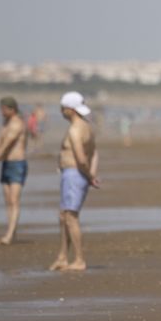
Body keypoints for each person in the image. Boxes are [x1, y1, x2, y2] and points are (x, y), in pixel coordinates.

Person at [53, 91, 100, 271]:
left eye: (63, 108)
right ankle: (63, 256)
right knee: (63, 216)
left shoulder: (75, 130)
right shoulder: (87, 126)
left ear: (70, 110)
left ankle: (79, 260)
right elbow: (94, 153)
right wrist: (92, 174)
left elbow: (81, 158)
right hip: (76, 175)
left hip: (74, 174)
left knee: (71, 217)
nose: (61, 111)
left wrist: (90, 176)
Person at [0, 96, 28, 244]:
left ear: (12, 109)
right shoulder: (6, 123)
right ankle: (11, 231)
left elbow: (7, 145)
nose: (1, 111)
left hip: (17, 164)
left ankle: (9, 235)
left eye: (3, 109)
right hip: (6, 164)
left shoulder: (17, 124)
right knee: (8, 200)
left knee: (14, 200)